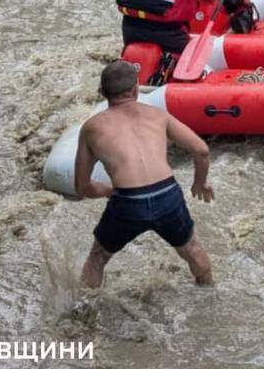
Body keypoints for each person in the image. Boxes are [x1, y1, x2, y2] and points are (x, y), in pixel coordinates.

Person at [76, 60, 216, 288]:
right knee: (191, 249)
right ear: (135, 90)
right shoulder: (158, 115)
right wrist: (199, 183)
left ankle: (81, 314)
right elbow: (201, 150)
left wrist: (111, 192)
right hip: (167, 193)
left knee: (98, 258)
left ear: (102, 92)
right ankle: (209, 293)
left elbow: (82, 187)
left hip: (128, 200)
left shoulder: (92, 128)